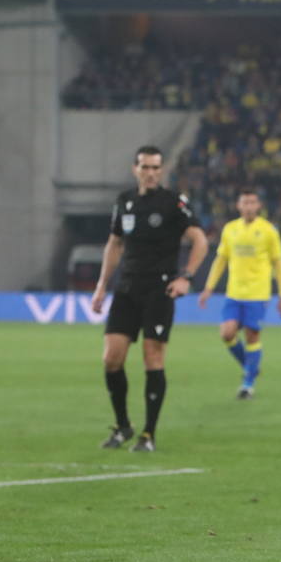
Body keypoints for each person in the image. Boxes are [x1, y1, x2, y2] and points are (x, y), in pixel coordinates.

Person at [91, 146, 208, 452]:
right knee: (111, 359)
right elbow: (114, 244)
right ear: (135, 169)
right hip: (127, 289)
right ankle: (123, 426)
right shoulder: (125, 201)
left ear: (162, 170)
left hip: (159, 289)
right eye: (145, 167)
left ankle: (149, 434)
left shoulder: (173, 202)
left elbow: (200, 240)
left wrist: (187, 277)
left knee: (152, 358)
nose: (151, 172)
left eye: (156, 167)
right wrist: (102, 285)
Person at [197, 190, 281, 399]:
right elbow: (221, 260)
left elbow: (279, 264)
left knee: (252, 337)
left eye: (252, 202)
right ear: (238, 206)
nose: (248, 206)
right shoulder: (230, 229)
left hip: (257, 294)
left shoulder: (268, 231)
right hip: (234, 293)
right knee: (226, 333)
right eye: (245, 202)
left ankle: (248, 384)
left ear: (258, 206)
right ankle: (250, 366)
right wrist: (209, 288)